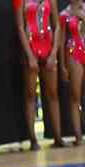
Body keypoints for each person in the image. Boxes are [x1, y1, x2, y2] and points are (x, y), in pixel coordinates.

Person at [16, 0, 65, 150]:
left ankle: (58, 137)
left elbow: (57, 26)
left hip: (48, 47)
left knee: (53, 94)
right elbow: (20, 27)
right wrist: (29, 55)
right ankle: (33, 139)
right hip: (31, 48)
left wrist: (54, 53)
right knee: (30, 95)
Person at [60, 0, 85, 145]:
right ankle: (78, 135)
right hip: (73, 53)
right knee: (75, 95)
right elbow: (62, 40)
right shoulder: (65, 14)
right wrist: (62, 65)